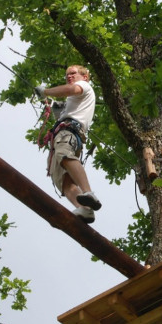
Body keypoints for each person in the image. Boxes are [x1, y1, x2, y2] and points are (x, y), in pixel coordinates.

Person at [34, 65, 101, 223]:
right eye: (67, 75)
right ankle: (85, 209)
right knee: (63, 181)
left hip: (69, 132)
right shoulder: (74, 102)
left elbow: (71, 90)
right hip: (61, 133)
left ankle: (88, 192)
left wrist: (46, 92)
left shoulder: (84, 86)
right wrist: (60, 112)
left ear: (84, 77)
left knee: (64, 154)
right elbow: (71, 105)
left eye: (73, 73)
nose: (69, 76)